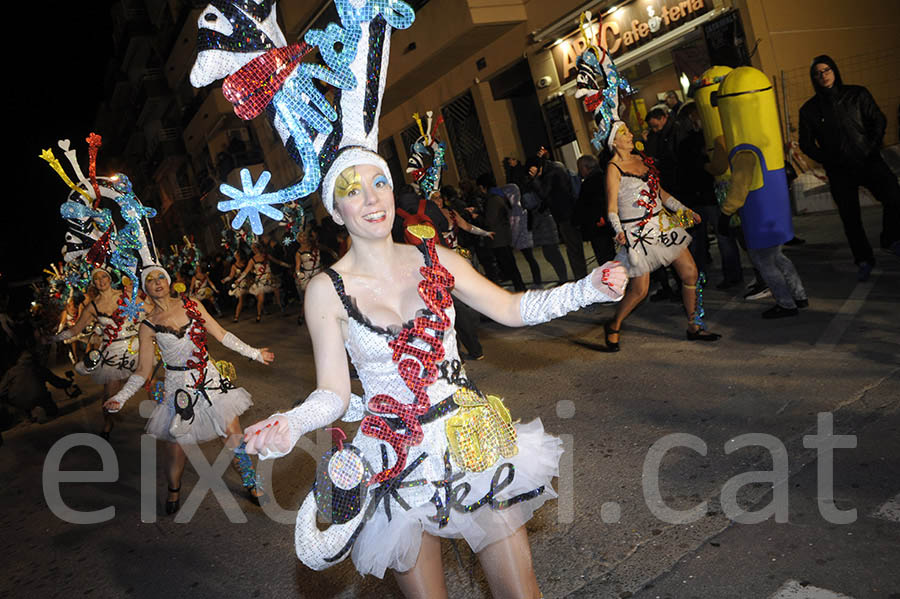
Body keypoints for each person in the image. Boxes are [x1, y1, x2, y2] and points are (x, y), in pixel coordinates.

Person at [242, 157, 627, 596]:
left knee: (522, 593)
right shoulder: (325, 290)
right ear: (335, 210)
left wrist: (588, 288)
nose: (371, 199)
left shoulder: (436, 258)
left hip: (471, 443)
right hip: (394, 459)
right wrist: (291, 422)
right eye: (353, 191)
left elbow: (510, 308)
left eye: (380, 183)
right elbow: (333, 392)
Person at [103, 266, 273, 514]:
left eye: (161, 276)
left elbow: (222, 334)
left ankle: (251, 483)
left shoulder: (191, 304)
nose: (157, 282)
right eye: (150, 280)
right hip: (178, 390)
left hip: (210, 381)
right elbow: (143, 370)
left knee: (233, 434)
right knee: (176, 448)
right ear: (145, 289)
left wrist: (254, 353)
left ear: (169, 281)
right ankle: (174, 490)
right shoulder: (148, 325)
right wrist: (121, 396)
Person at [604, 122, 721, 349]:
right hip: (638, 233)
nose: (630, 135)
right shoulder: (613, 168)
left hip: (663, 224)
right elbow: (611, 207)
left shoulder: (642, 160)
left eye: (628, 131)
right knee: (640, 290)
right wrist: (619, 231)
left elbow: (661, 193)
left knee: (690, 274)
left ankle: (693, 325)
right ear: (614, 142)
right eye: (623, 133)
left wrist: (683, 209)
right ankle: (614, 324)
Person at [799, 54, 900, 280]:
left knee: (894, 196)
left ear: (834, 70)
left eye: (826, 70)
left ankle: (891, 238)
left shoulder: (857, 94)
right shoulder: (810, 110)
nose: (823, 76)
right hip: (839, 170)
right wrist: (827, 158)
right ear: (813, 79)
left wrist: (870, 147)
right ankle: (863, 259)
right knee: (850, 217)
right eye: (818, 73)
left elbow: (878, 120)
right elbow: (806, 143)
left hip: (868, 160)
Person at [52, 267, 142, 440]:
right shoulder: (93, 306)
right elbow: (76, 329)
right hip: (114, 352)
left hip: (135, 345)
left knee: (152, 383)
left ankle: (170, 417)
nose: (101, 281)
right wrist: (53, 338)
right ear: (93, 283)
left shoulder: (126, 295)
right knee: (109, 395)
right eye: (97, 278)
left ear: (109, 278)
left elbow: (149, 310)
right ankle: (108, 424)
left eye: (104, 276)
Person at [527, 150, 587, 280]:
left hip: (566, 215)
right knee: (574, 247)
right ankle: (581, 277)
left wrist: (535, 179)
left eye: (531, 171)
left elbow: (544, 193)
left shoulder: (552, 172)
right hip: (568, 213)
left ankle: (581, 278)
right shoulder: (555, 167)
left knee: (573, 249)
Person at [507, 158, 568, 284]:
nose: (531, 171)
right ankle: (563, 279)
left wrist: (535, 179)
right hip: (538, 220)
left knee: (552, 252)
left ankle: (564, 279)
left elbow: (544, 195)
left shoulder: (543, 178)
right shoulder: (531, 181)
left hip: (545, 218)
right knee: (549, 253)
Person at [477, 173, 527, 292]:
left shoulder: (493, 199)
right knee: (510, 264)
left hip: (499, 238)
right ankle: (520, 288)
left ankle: (520, 289)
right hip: (503, 236)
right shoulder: (498, 195)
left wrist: (477, 217)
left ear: (484, 187)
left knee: (509, 265)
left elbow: (490, 220)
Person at [575, 154, 616, 268]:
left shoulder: (590, 183)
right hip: (606, 223)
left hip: (598, 225)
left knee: (605, 257)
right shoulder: (604, 176)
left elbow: (587, 206)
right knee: (610, 254)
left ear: (585, 168)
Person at [236, 243, 290, 323]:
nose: (254, 250)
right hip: (261, 279)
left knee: (277, 294)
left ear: (259, 248)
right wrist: (239, 279)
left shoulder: (266, 256)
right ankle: (259, 315)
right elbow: (246, 271)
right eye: (253, 248)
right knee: (261, 299)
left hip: (270, 278)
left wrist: (288, 265)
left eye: (255, 248)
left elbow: (277, 262)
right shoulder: (252, 260)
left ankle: (282, 310)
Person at [293, 228, 323, 326]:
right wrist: (299, 276)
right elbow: (297, 268)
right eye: (301, 236)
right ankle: (302, 315)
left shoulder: (315, 246)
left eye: (304, 235)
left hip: (318, 273)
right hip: (307, 276)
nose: (303, 238)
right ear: (298, 239)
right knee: (308, 297)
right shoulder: (298, 253)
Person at [221, 251, 251, 322]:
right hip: (240, 284)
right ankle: (236, 317)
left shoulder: (245, 263)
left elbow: (249, 271)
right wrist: (225, 280)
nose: (236, 257)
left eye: (237, 255)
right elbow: (231, 276)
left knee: (256, 294)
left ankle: (262, 310)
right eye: (235, 256)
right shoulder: (234, 266)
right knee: (241, 300)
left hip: (248, 282)